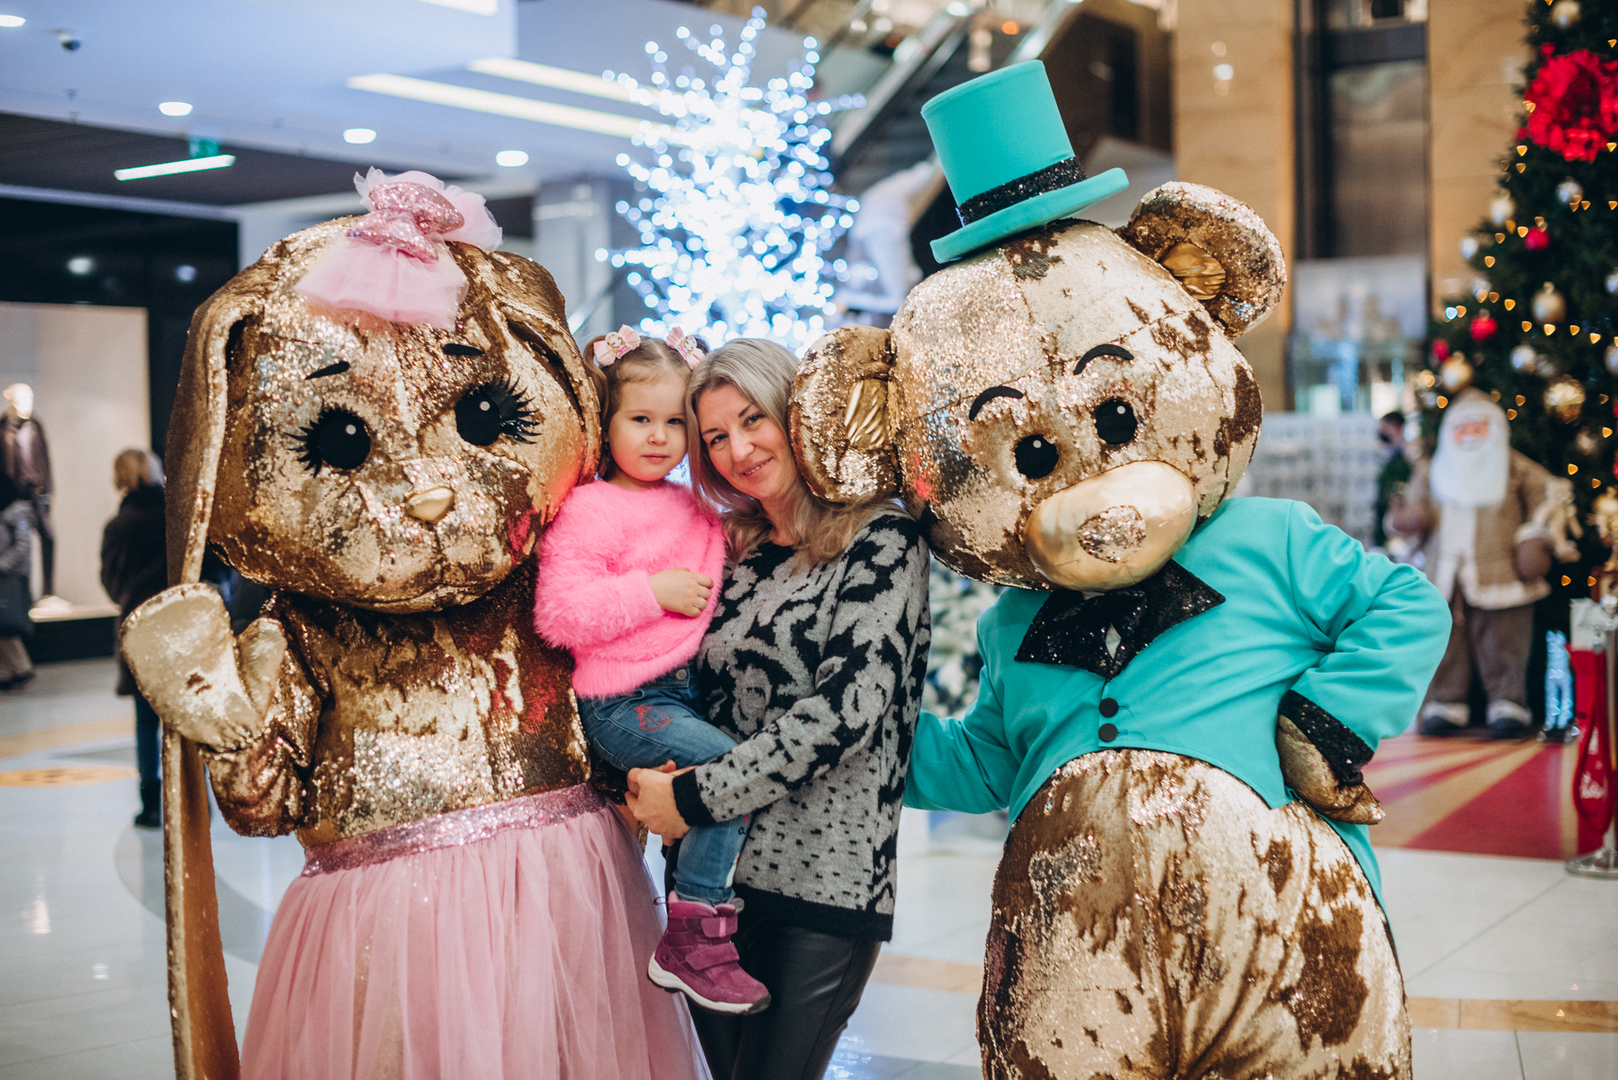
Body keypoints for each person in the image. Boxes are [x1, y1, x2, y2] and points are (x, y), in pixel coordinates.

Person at [626, 338, 931, 1080]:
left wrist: (694, 798)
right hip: (710, 886)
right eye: (716, 437)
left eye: (753, 419)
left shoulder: (881, 540)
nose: (738, 449)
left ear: (797, 413)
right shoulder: (732, 550)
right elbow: (686, 688)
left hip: (822, 882)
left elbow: (845, 712)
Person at [534, 326, 767, 1015]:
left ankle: (701, 911)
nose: (660, 437)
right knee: (730, 773)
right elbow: (560, 614)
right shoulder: (589, 508)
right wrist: (650, 593)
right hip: (624, 700)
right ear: (605, 423)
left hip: (682, 694)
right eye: (641, 419)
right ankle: (695, 931)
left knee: (725, 780)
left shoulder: (691, 506)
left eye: (675, 422)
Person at [99, 448, 167, 826]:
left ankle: (151, 803)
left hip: (138, 627)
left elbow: (110, 582)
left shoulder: (119, 527)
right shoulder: (176, 516)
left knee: (145, 721)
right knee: (186, 719)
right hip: (180, 627)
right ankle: (197, 799)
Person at [0, 472, 34, 690]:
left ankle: (22, 669)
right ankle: (6, 673)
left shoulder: (16, 513)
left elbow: (23, 546)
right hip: (6, 575)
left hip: (10, 577)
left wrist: (3, 564)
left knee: (7, 626)